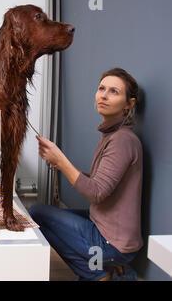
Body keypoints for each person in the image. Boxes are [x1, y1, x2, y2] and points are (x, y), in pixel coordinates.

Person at [29, 68, 143, 281]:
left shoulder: (122, 140)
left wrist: (62, 161)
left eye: (114, 91)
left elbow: (97, 193)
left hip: (112, 245)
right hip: (104, 230)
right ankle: (109, 271)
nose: (104, 95)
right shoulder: (112, 134)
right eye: (101, 88)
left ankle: (98, 274)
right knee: (40, 217)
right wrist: (60, 163)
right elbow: (101, 182)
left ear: (129, 104)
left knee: (37, 211)